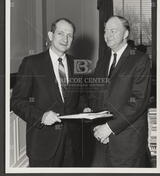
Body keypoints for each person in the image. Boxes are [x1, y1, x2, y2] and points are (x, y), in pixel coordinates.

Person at [11, 18, 87, 167]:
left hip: (73, 144)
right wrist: (41, 116)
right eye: (60, 33)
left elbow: (81, 95)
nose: (65, 39)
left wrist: (85, 108)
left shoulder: (77, 63)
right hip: (43, 145)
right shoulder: (31, 63)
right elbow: (17, 101)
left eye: (70, 35)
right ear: (51, 36)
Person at [88, 15, 151, 167]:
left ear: (125, 34)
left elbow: (138, 101)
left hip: (128, 142)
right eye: (105, 31)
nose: (107, 35)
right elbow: (95, 93)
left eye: (113, 31)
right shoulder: (103, 60)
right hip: (102, 138)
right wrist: (93, 116)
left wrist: (109, 128)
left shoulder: (140, 59)